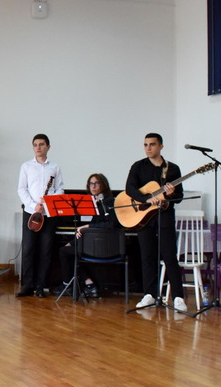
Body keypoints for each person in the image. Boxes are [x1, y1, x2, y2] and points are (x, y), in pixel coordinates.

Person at [124, 133, 187, 313]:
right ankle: (149, 294)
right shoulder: (138, 166)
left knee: (169, 256)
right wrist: (145, 199)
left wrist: (171, 193)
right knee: (147, 257)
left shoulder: (172, 169)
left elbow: (179, 197)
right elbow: (129, 188)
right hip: (144, 218)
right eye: (145, 145)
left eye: (152, 144)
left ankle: (178, 297)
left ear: (161, 146)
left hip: (165, 216)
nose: (148, 148)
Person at [17, 133, 64, 297]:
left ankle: (40, 286)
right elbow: (21, 189)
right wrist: (33, 205)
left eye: (42, 144)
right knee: (28, 249)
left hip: (49, 214)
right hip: (31, 213)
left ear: (48, 147)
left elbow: (60, 189)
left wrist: (49, 202)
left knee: (46, 250)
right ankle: (28, 285)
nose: (38, 147)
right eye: (35, 145)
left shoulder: (55, 167)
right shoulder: (26, 166)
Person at [56, 173, 117, 298]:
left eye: (97, 183)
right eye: (91, 184)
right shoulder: (93, 203)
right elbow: (93, 226)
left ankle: (68, 285)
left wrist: (87, 227)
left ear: (103, 185)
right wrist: (80, 233)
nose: (93, 186)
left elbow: (110, 224)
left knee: (65, 251)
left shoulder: (110, 202)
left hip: (104, 243)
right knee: (68, 248)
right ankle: (89, 285)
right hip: (92, 240)